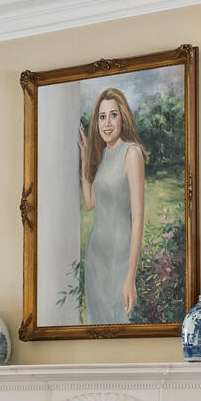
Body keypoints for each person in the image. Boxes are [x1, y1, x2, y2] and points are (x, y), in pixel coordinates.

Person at [79, 89, 148, 324]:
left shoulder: (131, 153)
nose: (107, 123)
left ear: (123, 118)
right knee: (97, 324)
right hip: (96, 257)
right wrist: (85, 160)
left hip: (119, 258)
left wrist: (130, 276)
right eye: (101, 116)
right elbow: (90, 203)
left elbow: (138, 218)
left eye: (113, 115)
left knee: (120, 321)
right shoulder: (104, 156)